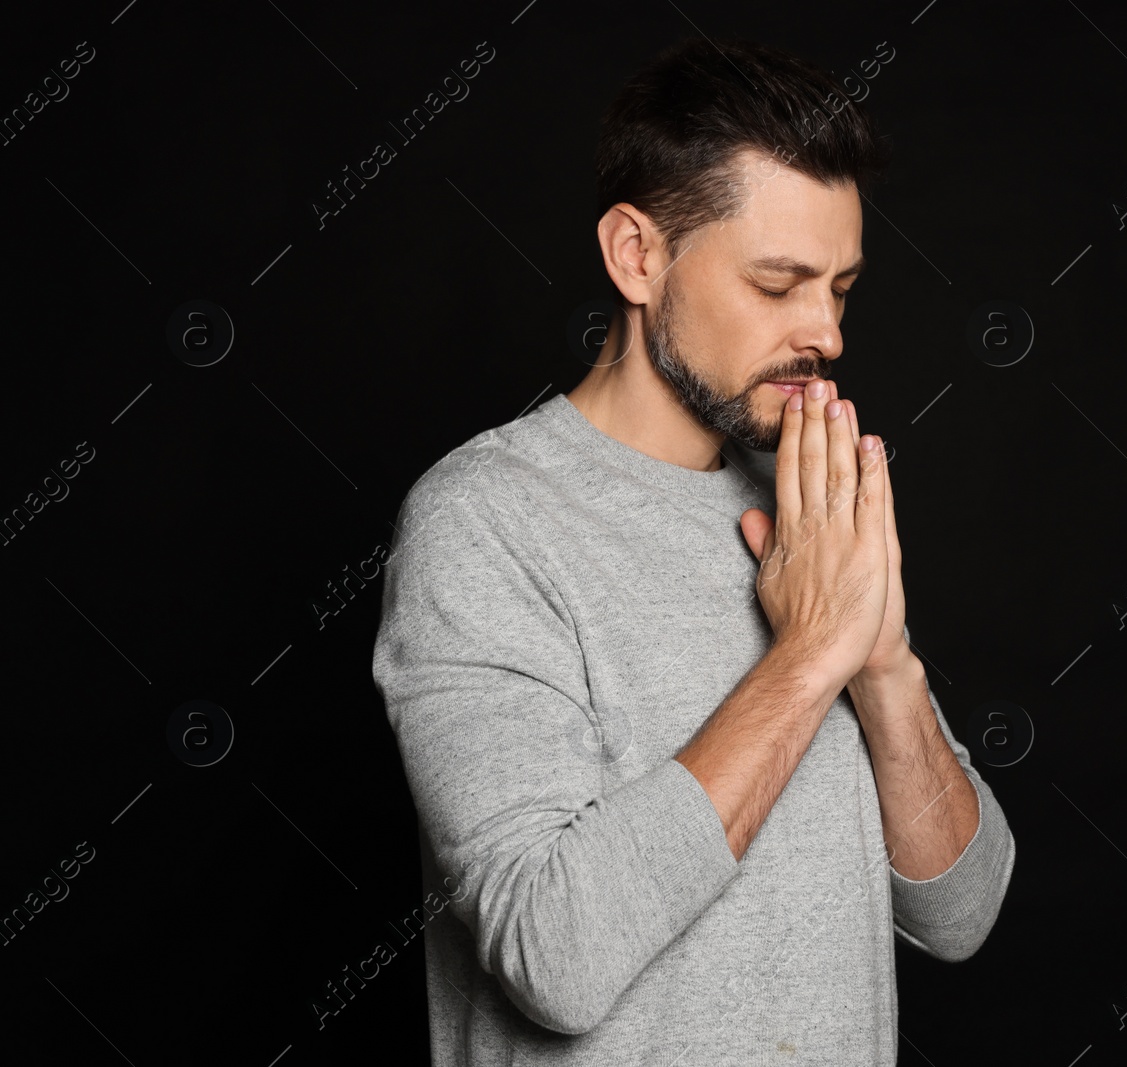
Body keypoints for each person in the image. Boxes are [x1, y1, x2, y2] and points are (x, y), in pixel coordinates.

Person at [371, 35, 1015, 1065]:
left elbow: (960, 912)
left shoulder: (806, 510)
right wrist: (808, 657)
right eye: (778, 283)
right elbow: (556, 955)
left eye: (840, 287)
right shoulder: (484, 522)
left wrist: (882, 659)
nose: (826, 332)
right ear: (637, 255)